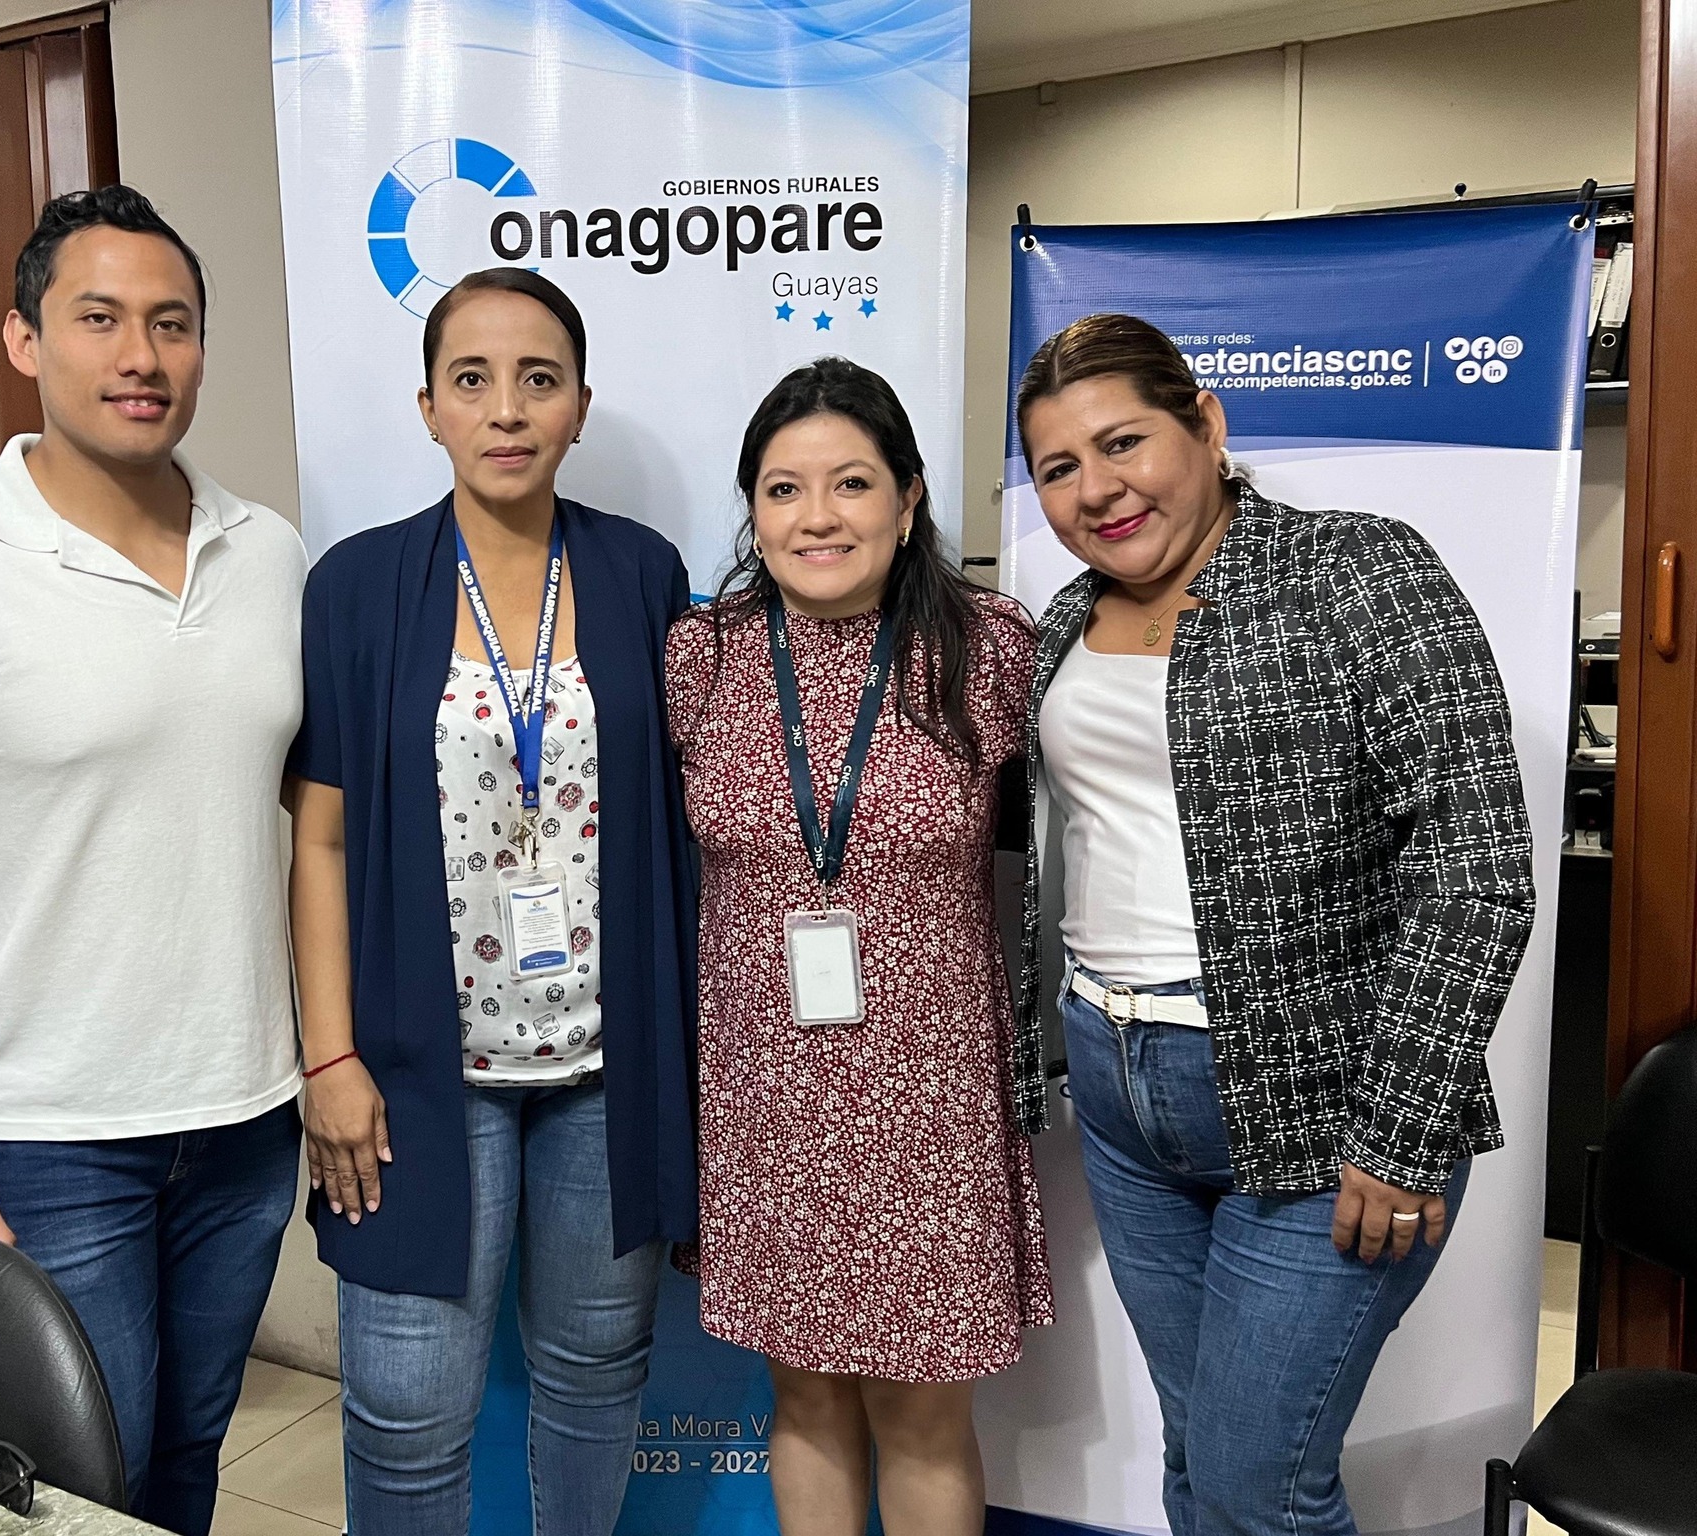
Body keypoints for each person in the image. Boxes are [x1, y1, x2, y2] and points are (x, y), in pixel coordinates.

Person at [0, 186, 304, 1536]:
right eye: (99, 319)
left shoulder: (271, 557)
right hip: (44, 1137)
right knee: (78, 1487)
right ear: (23, 339)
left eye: (172, 324)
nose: (141, 355)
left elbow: (319, 829)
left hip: (246, 1117)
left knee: (185, 1458)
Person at [1014, 312, 1535, 1536]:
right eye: (1057, 467)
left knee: (1259, 1484)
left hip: (1322, 1102)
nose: (1096, 490)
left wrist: (1399, 1133)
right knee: (1198, 1458)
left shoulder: (1354, 571)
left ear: (1204, 423)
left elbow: (1474, 864)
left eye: (1123, 443)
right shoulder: (1061, 621)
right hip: (1117, 1081)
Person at [285, 267, 696, 1535]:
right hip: (417, 1071)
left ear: (579, 405)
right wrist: (328, 1058)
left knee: (594, 1377)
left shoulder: (640, 574)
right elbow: (320, 841)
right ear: (427, 408)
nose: (505, 409)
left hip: (605, 1071)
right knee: (404, 1414)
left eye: (538, 379)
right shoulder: (356, 587)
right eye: (471, 380)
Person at [664, 357, 1052, 1536]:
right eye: (783, 490)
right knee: (805, 1396)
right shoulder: (702, 655)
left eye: (850, 483)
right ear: (752, 508)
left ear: (907, 496)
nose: (817, 517)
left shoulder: (989, 646)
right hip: (765, 1095)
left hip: (930, 1100)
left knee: (923, 1411)